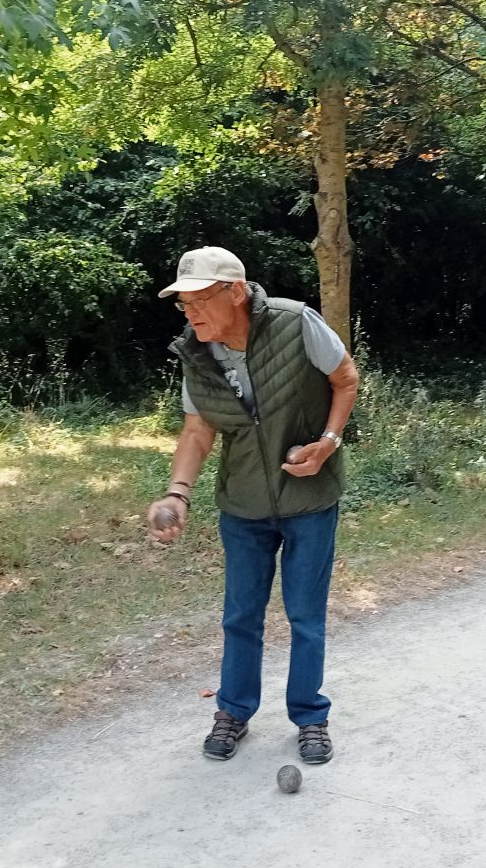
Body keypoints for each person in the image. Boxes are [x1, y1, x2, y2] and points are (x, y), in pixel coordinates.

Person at [148, 246, 359, 766]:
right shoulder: (196, 353)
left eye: (200, 300)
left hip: (310, 498)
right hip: (243, 506)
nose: (191, 313)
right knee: (240, 615)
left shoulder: (296, 323)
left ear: (236, 292)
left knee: (305, 615)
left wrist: (328, 442)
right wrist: (177, 492)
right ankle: (233, 711)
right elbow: (197, 430)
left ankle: (310, 716)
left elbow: (345, 379)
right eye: (184, 304)